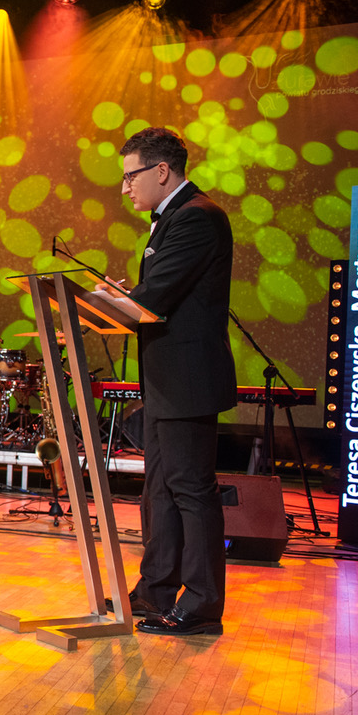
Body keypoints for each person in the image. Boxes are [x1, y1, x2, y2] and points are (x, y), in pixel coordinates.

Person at [110, 127, 235, 637]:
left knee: (190, 491)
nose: (125, 188)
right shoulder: (174, 218)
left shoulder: (197, 217)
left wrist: (113, 302)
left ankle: (202, 606)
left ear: (161, 171)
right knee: (159, 491)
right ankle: (155, 590)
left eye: (130, 176)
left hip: (188, 380)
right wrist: (119, 299)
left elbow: (157, 296)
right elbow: (156, 294)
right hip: (166, 381)